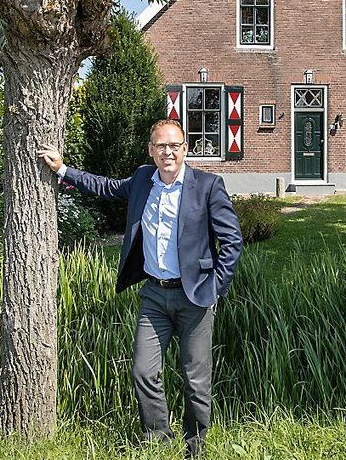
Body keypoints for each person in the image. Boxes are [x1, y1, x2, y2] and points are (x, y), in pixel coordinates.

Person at [38, 118, 243, 457]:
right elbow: (104, 186)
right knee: (143, 372)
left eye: (174, 145)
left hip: (195, 297)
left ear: (185, 149)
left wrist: (215, 288)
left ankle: (196, 447)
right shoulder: (141, 181)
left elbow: (232, 241)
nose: (168, 152)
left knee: (196, 381)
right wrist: (63, 170)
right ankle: (158, 442)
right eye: (161, 146)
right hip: (154, 296)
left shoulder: (207, 185)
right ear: (151, 150)